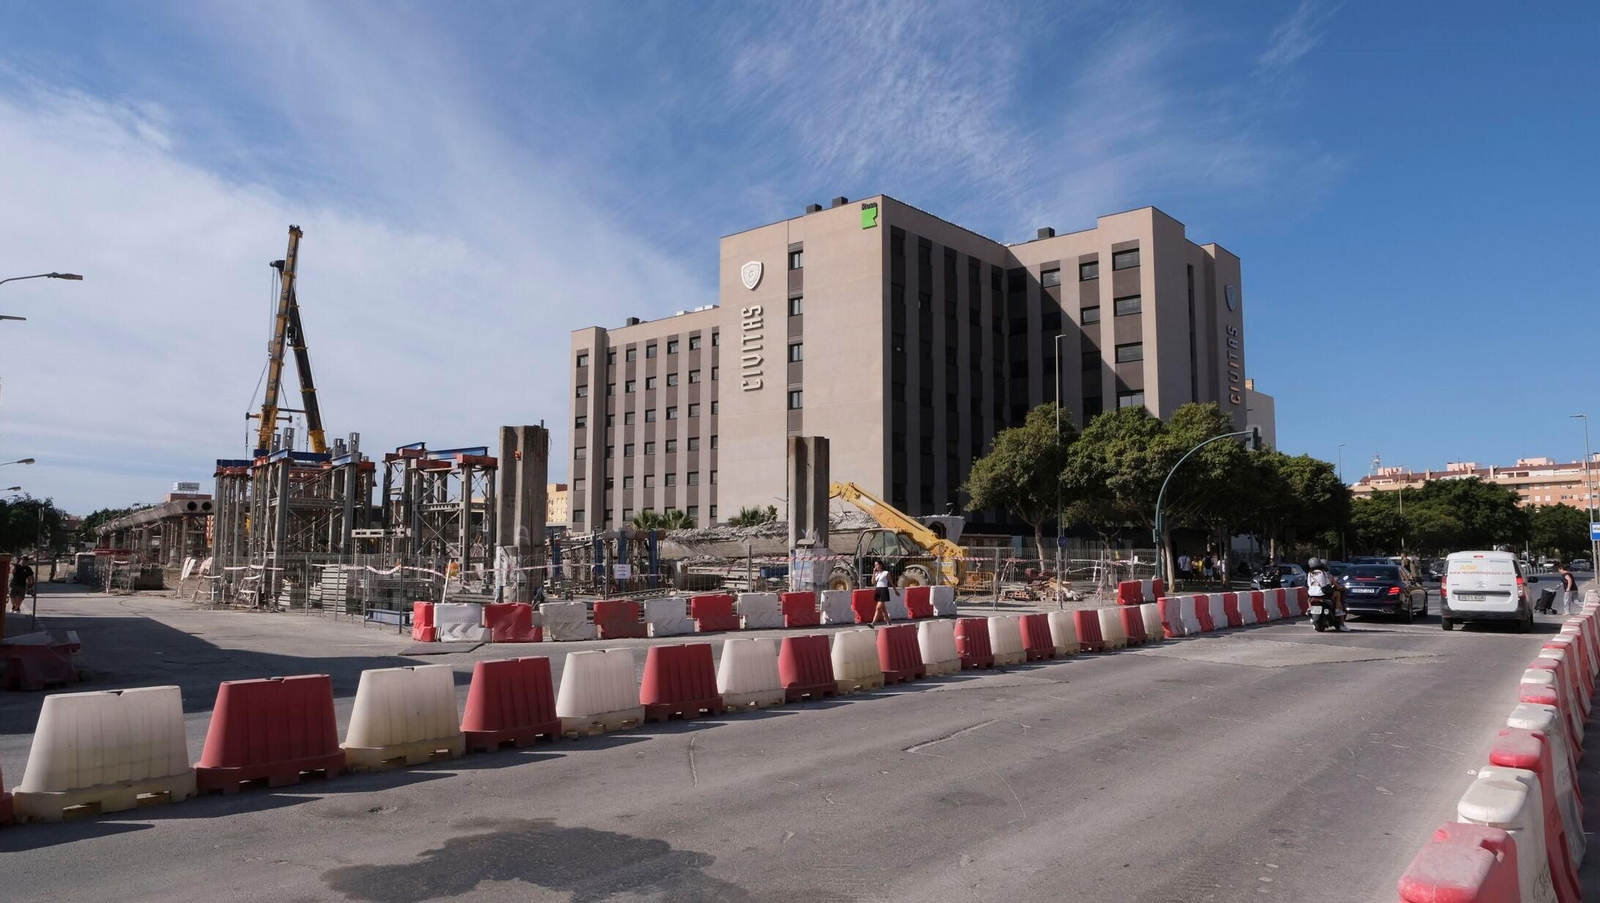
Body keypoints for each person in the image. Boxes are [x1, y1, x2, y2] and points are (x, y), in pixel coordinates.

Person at [1306, 557, 1346, 629]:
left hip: (1312, 594)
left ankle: (1309, 609)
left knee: (1309, 599)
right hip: (1323, 594)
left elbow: (1308, 584)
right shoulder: (1324, 573)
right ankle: (1337, 610)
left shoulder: (1309, 574)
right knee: (1337, 594)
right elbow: (1326, 584)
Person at [870, 560, 892, 625]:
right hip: (878, 590)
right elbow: (873, 582)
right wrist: (874, 573)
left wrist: (895, 590)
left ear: (881, 565)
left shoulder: (885, 573)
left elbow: (891, 582)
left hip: (884, 590)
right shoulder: (877, 574)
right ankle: (888, 622)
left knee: (878, 607)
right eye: (875, 565)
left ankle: (873, 623)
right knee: (883, 609)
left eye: (877, 565)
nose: (876, 566)